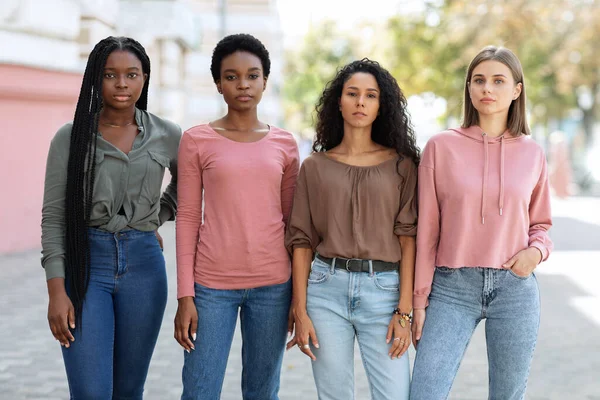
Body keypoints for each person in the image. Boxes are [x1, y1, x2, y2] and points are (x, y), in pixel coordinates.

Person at [410, 46, 554, 400]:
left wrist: (535, 254)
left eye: (498, 80)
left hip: (514, 288)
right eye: (479, 80)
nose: (487, 89)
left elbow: (542, 225)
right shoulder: (441, 147)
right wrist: (418, 301)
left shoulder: (532, 152)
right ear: (469, 88)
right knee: (425, 392)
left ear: (517, 90)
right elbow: (426, 230)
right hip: (451, 288)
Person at [41, 36, 181, 399]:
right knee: (90, 392)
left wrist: (155, 216)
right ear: (95, 79)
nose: (122, 83)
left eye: (132, 74)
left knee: (129, 390)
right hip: (87, 265)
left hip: (145, 268)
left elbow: (188, 187)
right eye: (110, 74)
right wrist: (56, 291)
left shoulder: (167, 135)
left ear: (145, 78)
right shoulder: (70, 137)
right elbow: (54, 216)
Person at [174, 33, 300, 400]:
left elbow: (294, 224)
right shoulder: (196, 140)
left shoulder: (286, 144)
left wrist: (298, 296)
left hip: (274, 286)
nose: (242, 83)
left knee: (263, 392)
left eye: (252, 75)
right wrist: (185, 296)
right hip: (211, 288)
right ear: (218, 83)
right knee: (199, 390)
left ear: (264, 81)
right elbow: (185, 218)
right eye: (231, 76)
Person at [285, 58, 420, 400]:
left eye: (371, 95)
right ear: (338, 102)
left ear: (381, 106)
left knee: (394, 394)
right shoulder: (314, 167)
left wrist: (403, 312)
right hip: (325, 291)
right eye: (352, 93)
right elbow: (301, 240)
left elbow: (409, 238)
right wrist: (300, 311)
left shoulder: (402, 166)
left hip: (385, 291)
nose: (361, 102)